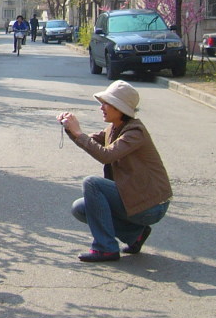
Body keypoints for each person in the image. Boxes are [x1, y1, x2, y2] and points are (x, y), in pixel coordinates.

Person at [56, 80, 172, 262]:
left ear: (120, 108)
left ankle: (106, 248)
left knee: (92, 183)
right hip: (135, 197)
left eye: (106, 104)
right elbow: (91, 141)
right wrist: (70, 128)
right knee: (81, 208)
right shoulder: (115, 128)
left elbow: (106, 155)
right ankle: (135, 234)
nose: (102, 107)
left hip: (152, 206)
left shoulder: (135, 132)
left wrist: (78, 133)